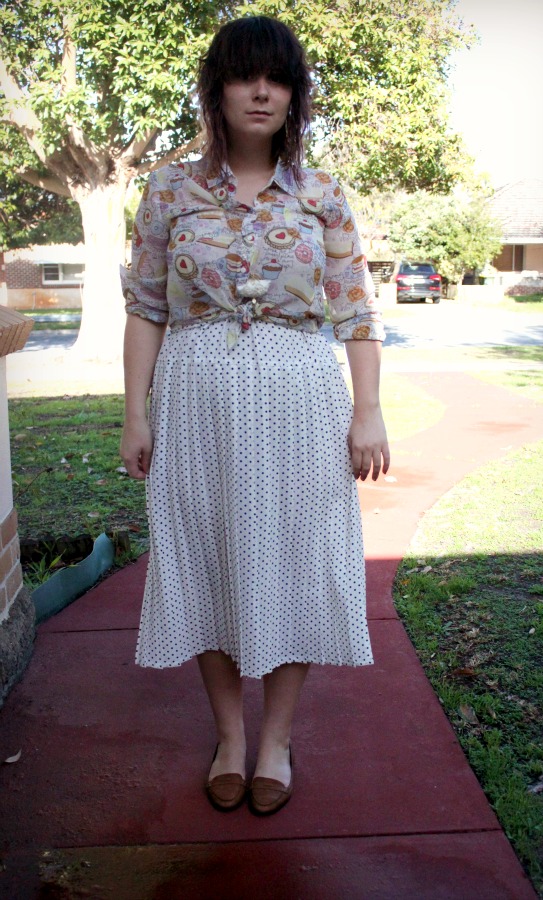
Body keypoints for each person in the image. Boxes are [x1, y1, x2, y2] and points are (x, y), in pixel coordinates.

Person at [120, 15, 389, 816]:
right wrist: (134, 414)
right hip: (195, 400)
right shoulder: (170, 189)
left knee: (298, 557)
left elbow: (355, 311)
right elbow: (145, 308)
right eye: (245, 75)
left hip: (301, 398)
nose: (261, 91)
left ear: (295, 94)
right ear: (218, 90)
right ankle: (229, 736)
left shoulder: (321, 193)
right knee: (203, 555)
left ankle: (276, 739)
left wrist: (369, 412)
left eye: (277, 78)